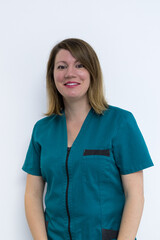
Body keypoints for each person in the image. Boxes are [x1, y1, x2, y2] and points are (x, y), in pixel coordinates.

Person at [22, 38, 154, 240]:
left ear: (92, 72)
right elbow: (32, 194)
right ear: (53, 76)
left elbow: (135, 195)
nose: (70, 73)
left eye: (80, 65)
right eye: (61, 66)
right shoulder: (42, 130)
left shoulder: (120, 123)